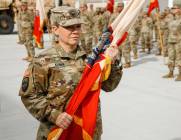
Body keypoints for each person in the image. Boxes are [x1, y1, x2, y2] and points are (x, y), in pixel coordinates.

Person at [19, 6, 123, 140]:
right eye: (69, 27)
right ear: (55, 29)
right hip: (59, 132)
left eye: (78, 26)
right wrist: (54, 115)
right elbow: (29, 96)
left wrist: (114, 62)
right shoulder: (43, 61)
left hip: (88, 131)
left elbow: (109, 86)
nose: (75, 31)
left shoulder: (92, 57)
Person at [162, 6, 181, 81]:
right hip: (170, 40)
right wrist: (162, 17)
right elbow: (162, 26)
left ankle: (180, 74)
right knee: (171, 57)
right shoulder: (170, 18)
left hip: (179, 41)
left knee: (180, 57)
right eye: (172, 9)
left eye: (175, 8)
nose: (173, 10)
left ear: (179, 9)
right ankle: (171, 72)